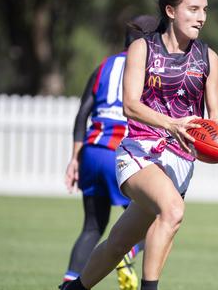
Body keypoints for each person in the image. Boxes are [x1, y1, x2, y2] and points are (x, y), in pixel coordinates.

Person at [60, 0, 218, 290]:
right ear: (171, 11)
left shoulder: (209, 58)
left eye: (205, 9)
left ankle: (73, 288)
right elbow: (131, 107)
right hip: (139, 153)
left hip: (180, 164)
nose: (202, 16)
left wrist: (214, 137)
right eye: (193, 9)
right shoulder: (142, 49)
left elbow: (215, 116)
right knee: (173, 211)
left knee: (119, 244)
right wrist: (173, 125)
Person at [61, 15, 158, 290]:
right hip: (124, 152)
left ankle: (69, 283)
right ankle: (127, 254)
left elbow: (82, 114)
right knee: (151, 219)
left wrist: (74, 159)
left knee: (92, 226)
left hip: (92, 152)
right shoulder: (150, 66)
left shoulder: (103, 66)